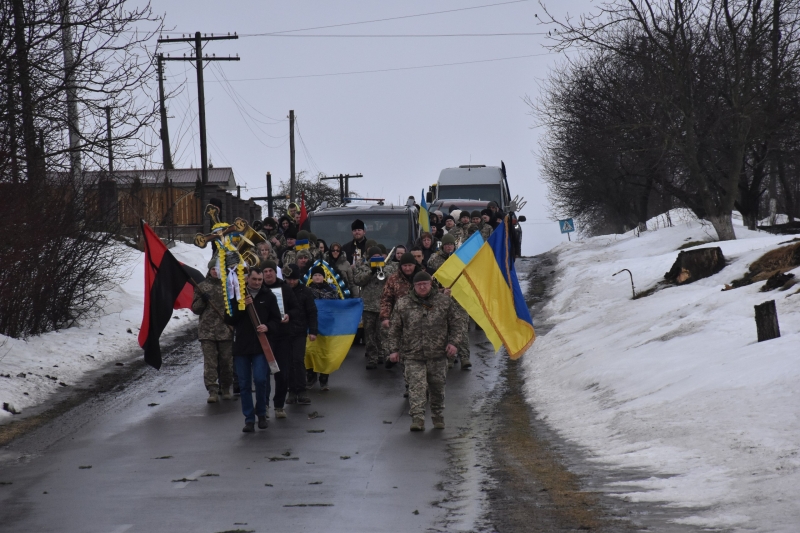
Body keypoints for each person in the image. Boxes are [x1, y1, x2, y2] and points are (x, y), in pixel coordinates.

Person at [388, 271, 463, 431]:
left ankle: (437, 416)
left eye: (425, 284)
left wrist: (454, 343)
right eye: (418, 284)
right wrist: (393, 350)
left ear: (431, 284)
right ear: (413, 286)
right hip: (412, 354)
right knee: (416, 387)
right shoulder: (403, 303)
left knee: (437, 387)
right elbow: (395, 329)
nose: (422, 287)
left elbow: (457, 323)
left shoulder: (444, 302)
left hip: (438, 354)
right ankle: (418, 418)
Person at [225, 267, 282, 433]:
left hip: (260, 346)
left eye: (260, 280)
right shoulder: (236, 294)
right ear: (247, 279)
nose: (257, 283)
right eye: (254, 279)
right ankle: (249, 419)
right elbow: (228, 318)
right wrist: (242, 306)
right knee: (244, 384)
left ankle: (262, 413)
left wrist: (268, 326)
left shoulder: (268, 296)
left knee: (260, 379)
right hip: (242, 346)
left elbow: (276, 319)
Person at [260, 260, 301, 419]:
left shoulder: (284, 288)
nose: (268, 273)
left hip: (283, 336)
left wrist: (289, 315)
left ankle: (279, 405)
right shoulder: (258, 289)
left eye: (271, 270)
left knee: (282, 373)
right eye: (265, 271)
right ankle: (264, 404)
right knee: (263, 374)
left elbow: (296, 308)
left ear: (275, 272)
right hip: (264, 337)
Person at [426, 234, 472, 370]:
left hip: (459, 298)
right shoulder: (434, 259)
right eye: (446, 245)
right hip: (442, 298)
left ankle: (464, 357)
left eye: (451, 245)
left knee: (461, 328)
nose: (448, 247)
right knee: (445, 329)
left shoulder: (460, 259)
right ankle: (449, 358)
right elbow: (431, 278)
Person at [191, 262, 234, 403]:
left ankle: (226, 387)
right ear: (209, 270)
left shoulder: (229, 286)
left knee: (226, 361)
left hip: (225, 330)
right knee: (210, 362)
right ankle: (212, 390)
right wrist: (202, 301)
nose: (215, 271)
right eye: (213, 269)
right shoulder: (202, 287)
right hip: (207, 331)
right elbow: (195, 309)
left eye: (218, 268)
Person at [354, 246, 396, 370]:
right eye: (374, 257)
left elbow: (392, 277)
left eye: (378, 256)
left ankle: (385, 355)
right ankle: (372, 358)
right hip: (368, 306)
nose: (376, 259)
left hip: (383, 306)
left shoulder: (389, 266)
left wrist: (382, 268)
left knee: (384, 333)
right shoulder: (363, 267)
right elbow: (357, 280)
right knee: (370, 334)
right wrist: (371, 271)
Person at [380, 252, 421, 373]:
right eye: (405, 266)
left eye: (410, 265)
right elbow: (386, 298)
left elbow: (432, 293)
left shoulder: (422, 276)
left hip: (420, 319)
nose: (407, 268)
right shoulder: (393, 279)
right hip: (400, 319)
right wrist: (385, 317)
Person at [282, 264, 316, 406]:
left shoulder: (305, 292)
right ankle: (291, 391)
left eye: (294, 279)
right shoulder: (282, 291)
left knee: (298, 360)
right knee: (288, 362)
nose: (291, 282)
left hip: (300, 331)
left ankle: (301, 390)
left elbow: (312, 312)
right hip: (284, 332)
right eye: (289, 279)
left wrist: (313, 330)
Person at [306, 265, 338, 390]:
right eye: (315, 275)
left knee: (324, 352)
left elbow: (336, 306)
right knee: (309, 351)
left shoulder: (331, 290)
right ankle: (311, 376)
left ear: (323, 277)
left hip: (326, 325)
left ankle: (324, 379)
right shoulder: (307, 290)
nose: (317, 277)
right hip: (310, 325)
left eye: (319, 275)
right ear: (311, 277)